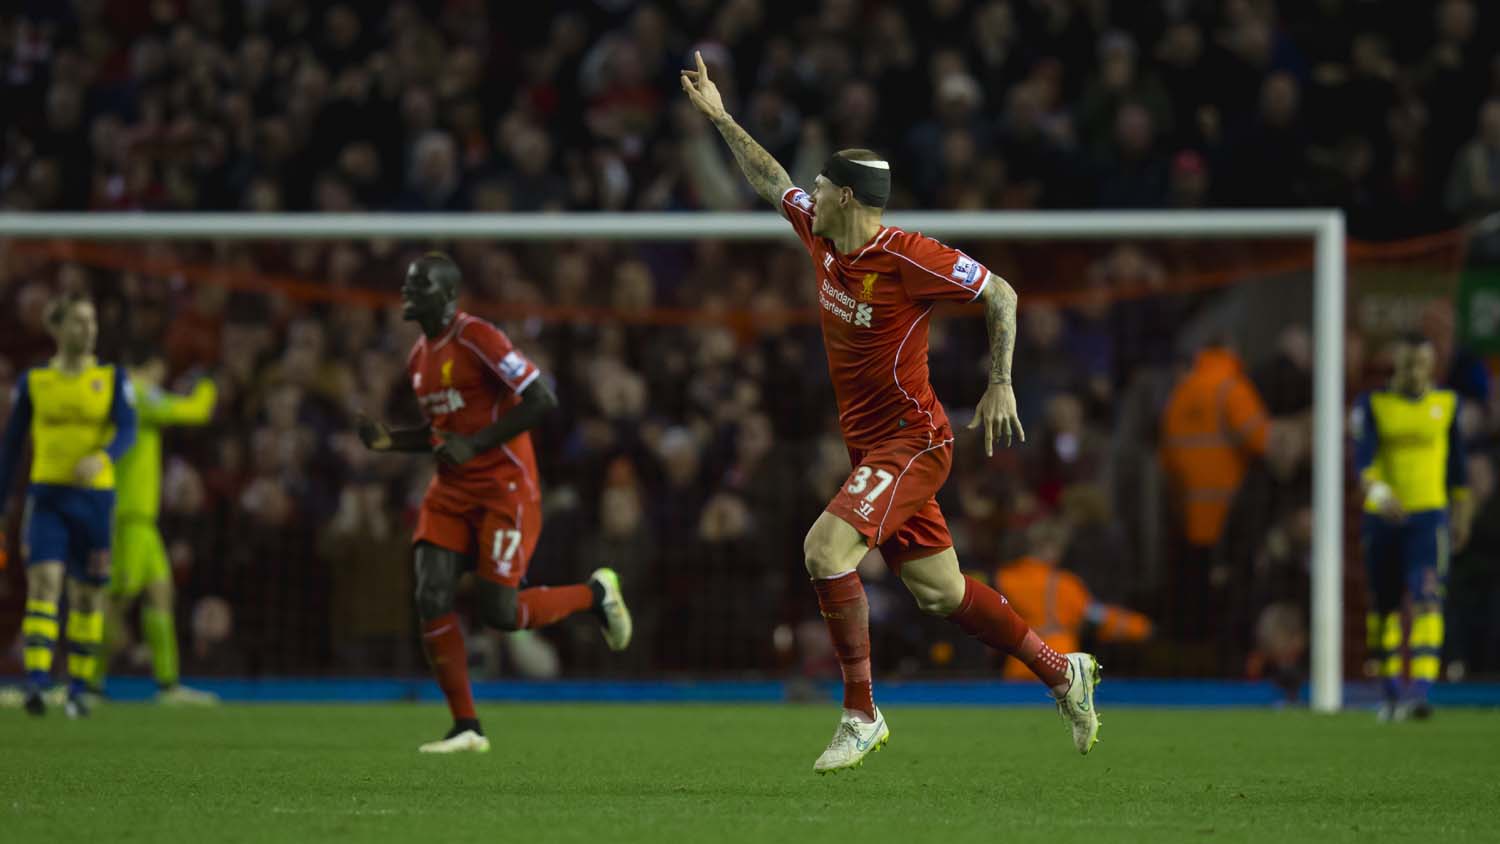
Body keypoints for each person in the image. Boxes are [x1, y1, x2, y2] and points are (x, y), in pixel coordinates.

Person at [682, 51, 1101, 774]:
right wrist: (721, 117)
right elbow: (770, 179)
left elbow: (1001, 292)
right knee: (942, 594)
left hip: (914, 441)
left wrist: (1000, 382)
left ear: (847, 196)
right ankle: (1063, 673)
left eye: (823, 183)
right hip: (871, 447)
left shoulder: (906, 255)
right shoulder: (823, 236)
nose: (809, 190)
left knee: (823, 550)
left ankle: (860, 713)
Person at [358, 252, 632, 754]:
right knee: (430, 594)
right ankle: (466, 726)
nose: (406, 294)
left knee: (500, 612)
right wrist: (391, 442)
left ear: (445, 294)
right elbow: (446, 434)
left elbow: (541, 398)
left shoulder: (477, 338)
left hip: (504, 488)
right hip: (450, 491)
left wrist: (478, 445)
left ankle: (595, 595)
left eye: (417, 286)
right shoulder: (419, 357)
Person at [0, 292, 137, 718]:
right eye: (78, 321)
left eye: (91, 321)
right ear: (57, 328)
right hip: (47, 498)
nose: (88, 329)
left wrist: (104, 456)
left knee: (88, 596)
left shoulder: (113, 379)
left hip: (95, 500)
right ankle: (38, 682)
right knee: (44, 584)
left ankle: (78, 688)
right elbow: (12, 446)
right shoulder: (35, 383)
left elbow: (127, 430)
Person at [1351, 333, 1474, 721]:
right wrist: (1381, 494)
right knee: (1384, 606)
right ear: (1395, 365)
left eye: (1422, 364)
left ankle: (1419, 692)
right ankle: (1389, 691)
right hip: (1384, 518)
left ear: (1432, 365)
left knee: (1427, 597)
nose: (1415, 372)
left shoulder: (1446, 405)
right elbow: (1362, 466)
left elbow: (1459, 470)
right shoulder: (1373, 405)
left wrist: (1462, 514)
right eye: (1407, 364)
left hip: (1429, 518)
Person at [93, 352, 219, 704]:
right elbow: (195, 411)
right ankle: (86, 681)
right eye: (160, 370)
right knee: (117, 600)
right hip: (127, 518)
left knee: (161, 594)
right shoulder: (134, 390)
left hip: (141, 520)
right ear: (145, 366)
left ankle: (168, 685)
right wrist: (208, 384)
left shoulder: (121, 394)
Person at [994, 520, 1151, 681]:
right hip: (1060, 664)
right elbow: (1098, 616)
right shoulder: (1066, 585)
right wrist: (1140, 627)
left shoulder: (1003, 578)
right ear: (1052, 548)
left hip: (1020, 665)